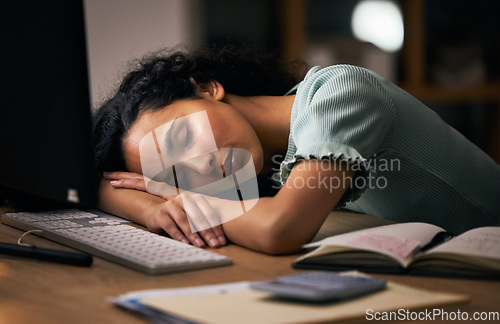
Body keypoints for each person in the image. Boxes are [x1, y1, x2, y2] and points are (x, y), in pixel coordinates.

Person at [93, 42, 500, 255]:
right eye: (173, 173)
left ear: (206, 88)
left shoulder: (340, 93)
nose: (199, 169)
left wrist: (175, 195)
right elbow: (100, 185)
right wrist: (151, 206)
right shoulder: (265, 170)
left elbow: (279, 229)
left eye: (183, 138)